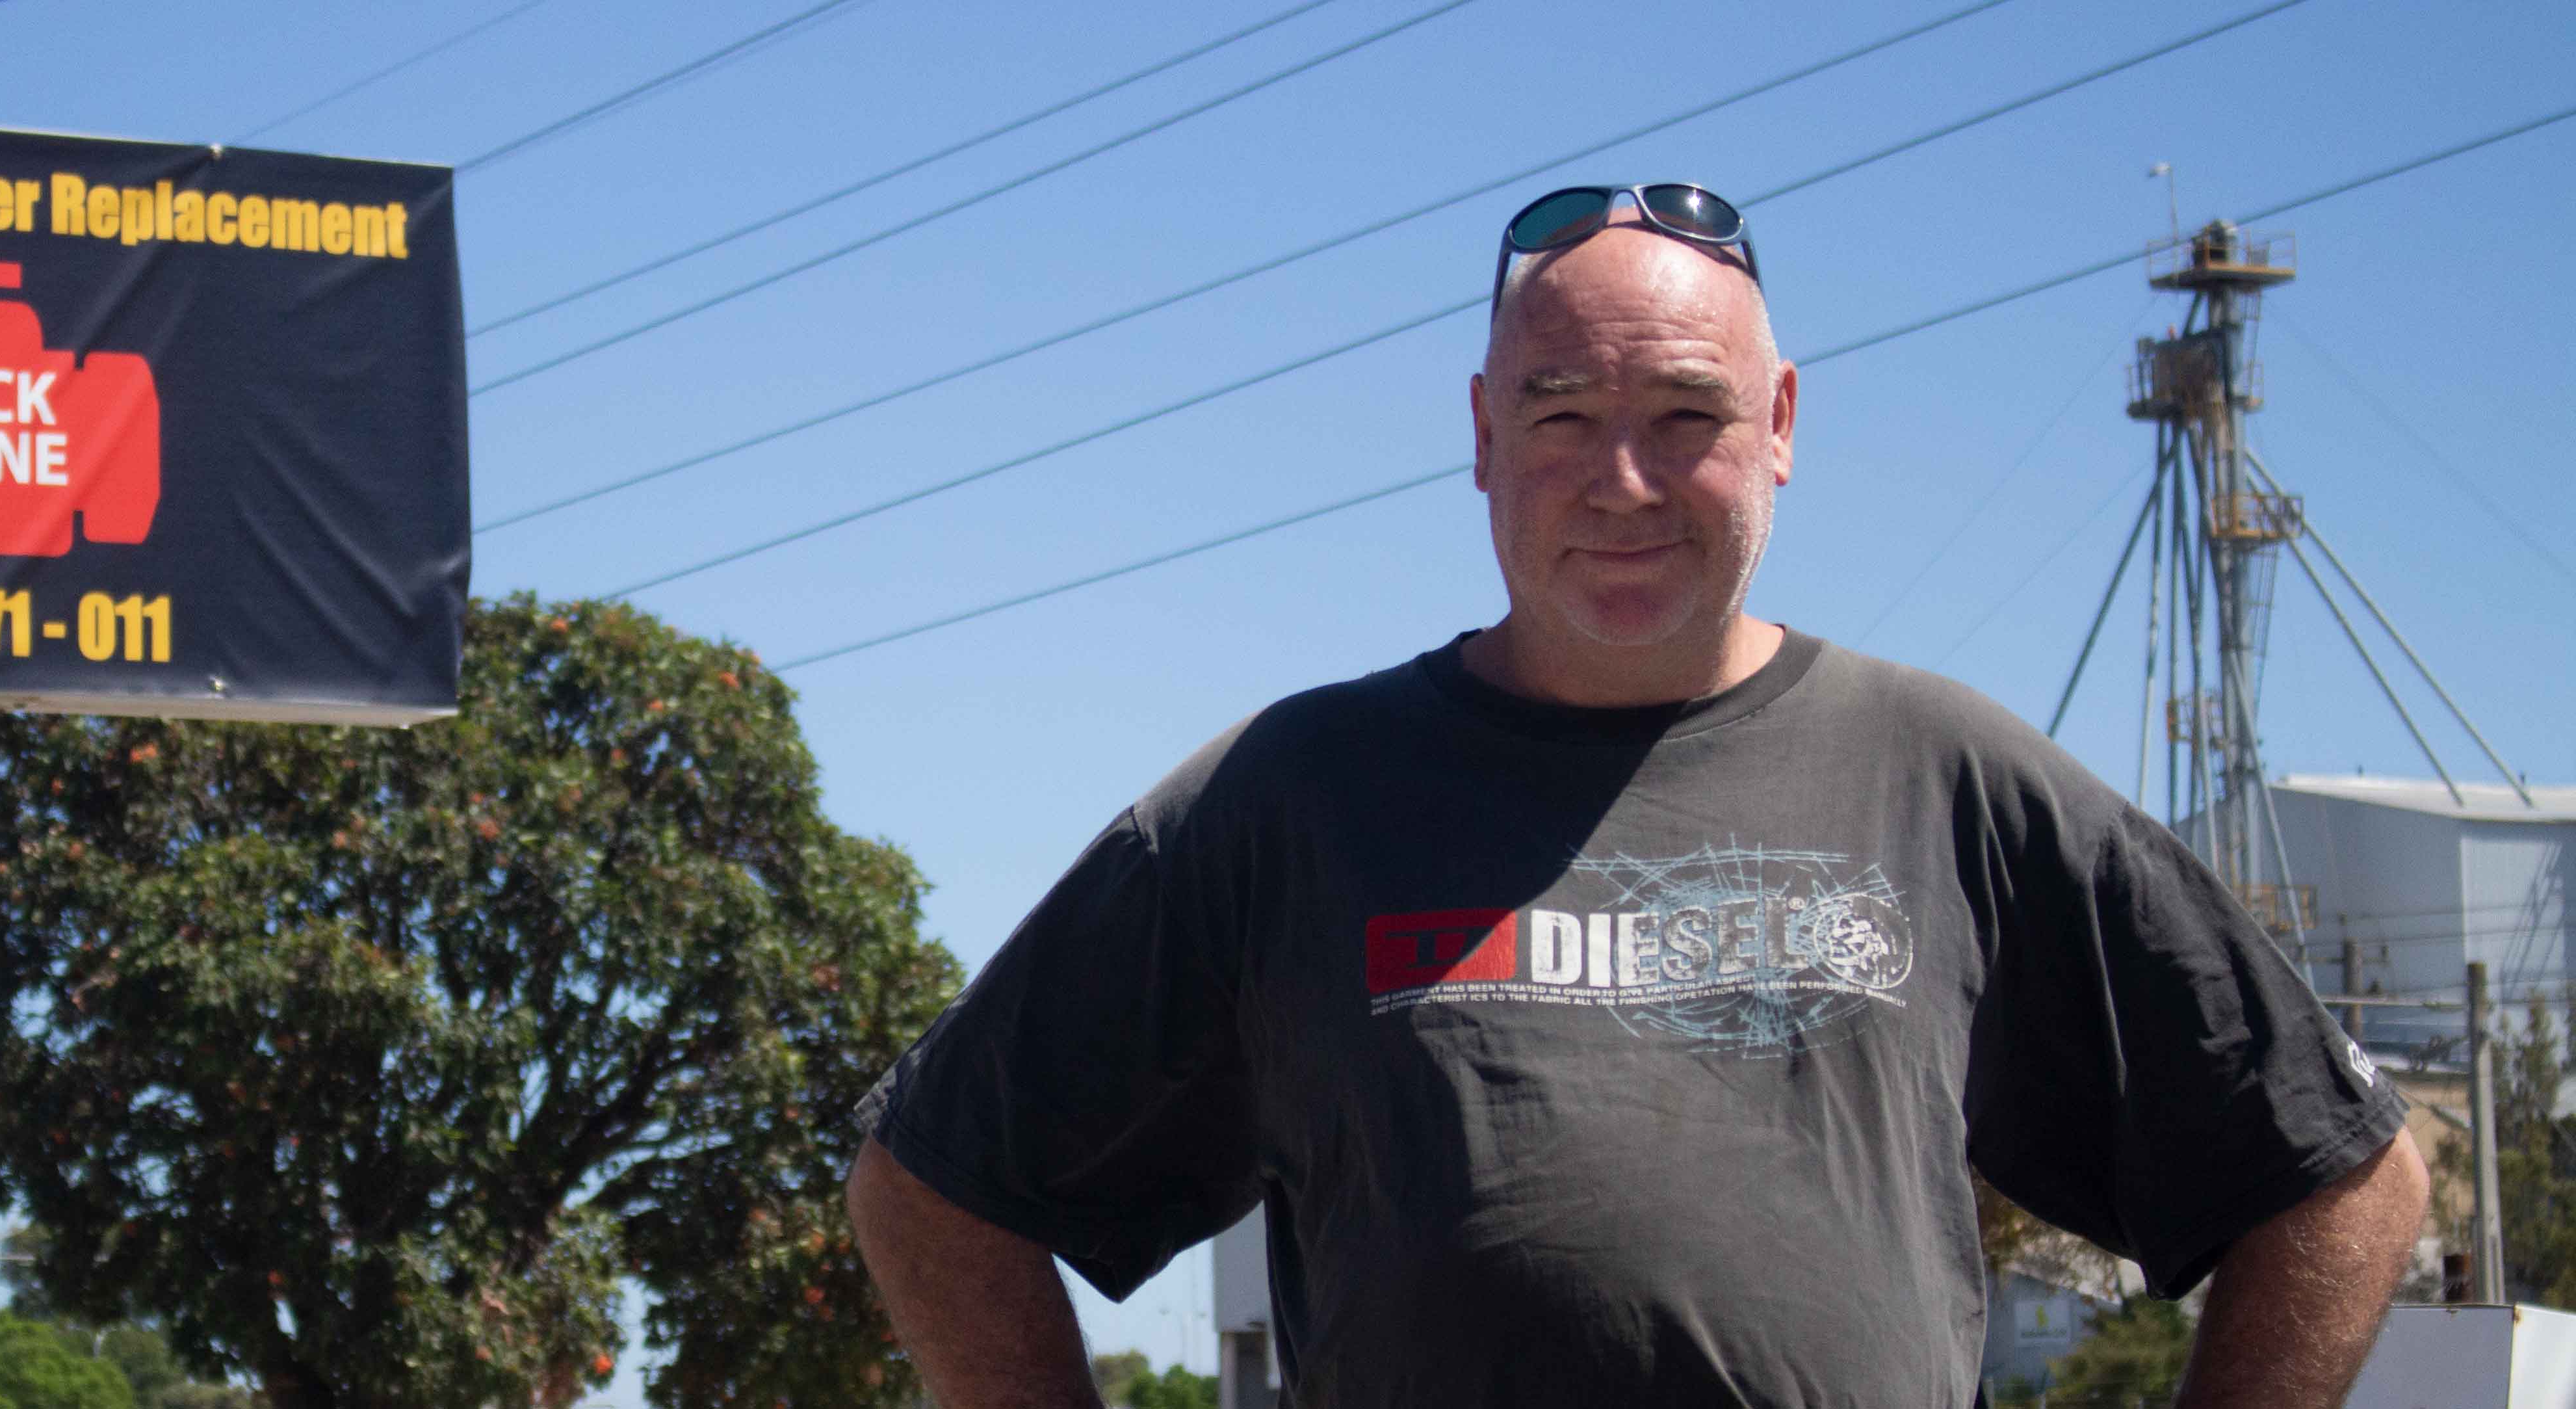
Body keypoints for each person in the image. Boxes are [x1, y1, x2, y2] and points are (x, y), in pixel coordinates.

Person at [844, 183, 2430, 1408]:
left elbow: (2343, 1173)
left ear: (1784, 427)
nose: (1622, 482)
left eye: (1687, 417)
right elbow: (933, 1186)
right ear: (1479, 434)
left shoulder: (1950, 777)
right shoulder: (1293, 801)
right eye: (1560, 416)